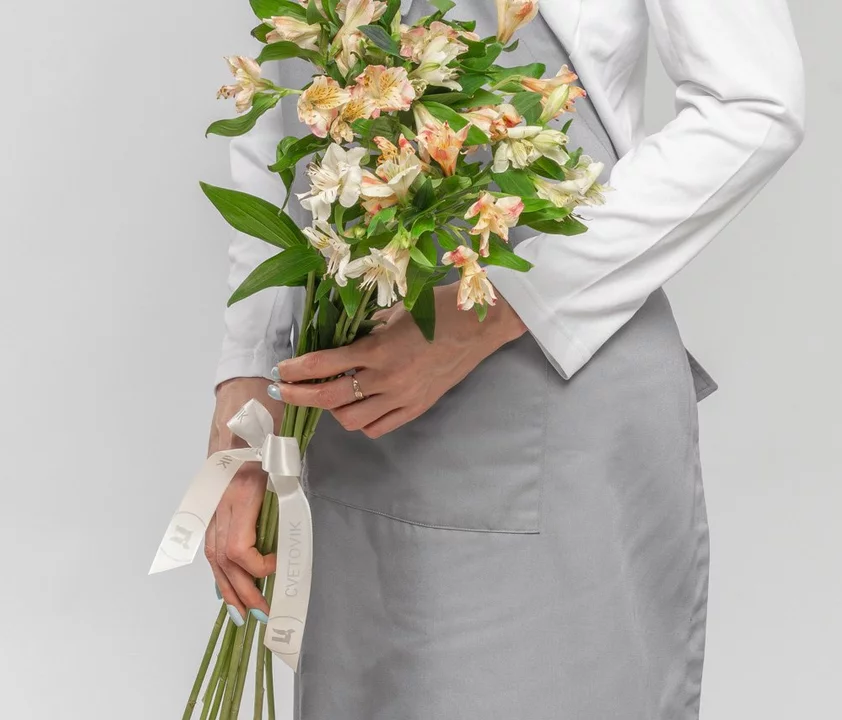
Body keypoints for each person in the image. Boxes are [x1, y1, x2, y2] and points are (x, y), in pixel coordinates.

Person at [205, 0, 805, 716]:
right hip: (355, 408)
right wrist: (248, 396)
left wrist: (492, 309)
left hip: (552, 400)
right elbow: (285, 113)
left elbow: (754, 104)